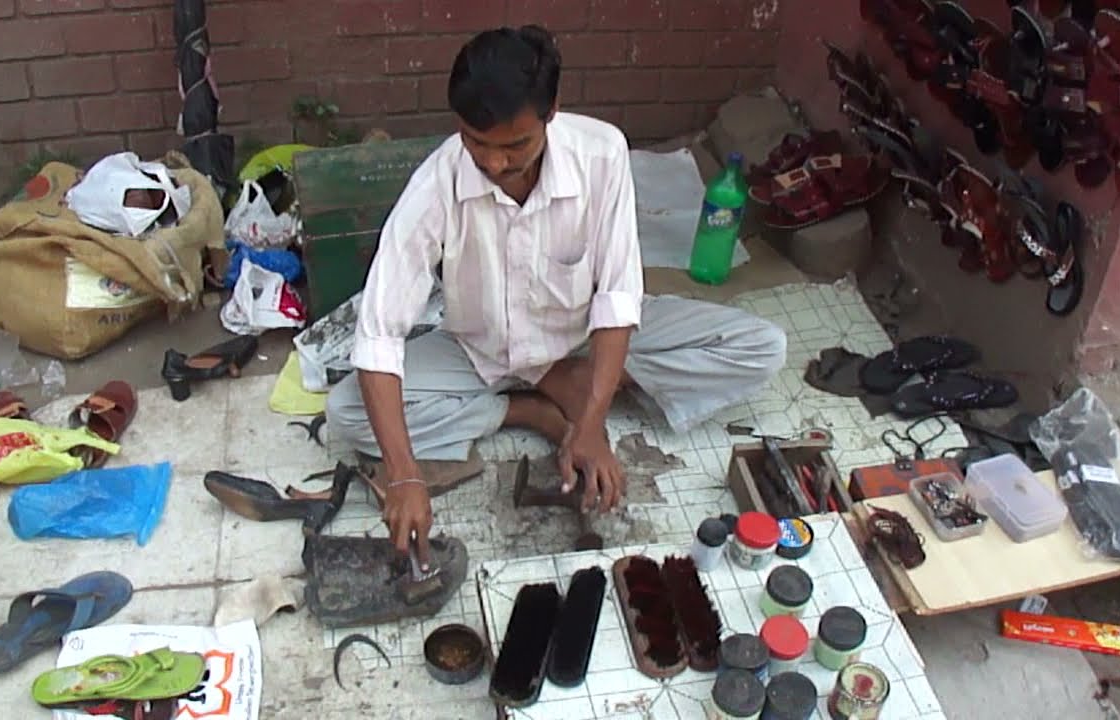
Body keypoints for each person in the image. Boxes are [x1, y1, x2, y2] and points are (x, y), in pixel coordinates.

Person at [326, 25, 786, 566]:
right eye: (478, 144)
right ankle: (529, 411)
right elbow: (379, 330)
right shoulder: (436, 185)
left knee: (762, 347)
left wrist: (590, 427)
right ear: (459, 126)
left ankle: (578, 383)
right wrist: (404, 475)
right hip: (480, 352)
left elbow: (617, 294)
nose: (496, 164)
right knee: (348, 412)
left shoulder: (602, 154)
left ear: (552, 112)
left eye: (515, 145)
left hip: (580, 337)